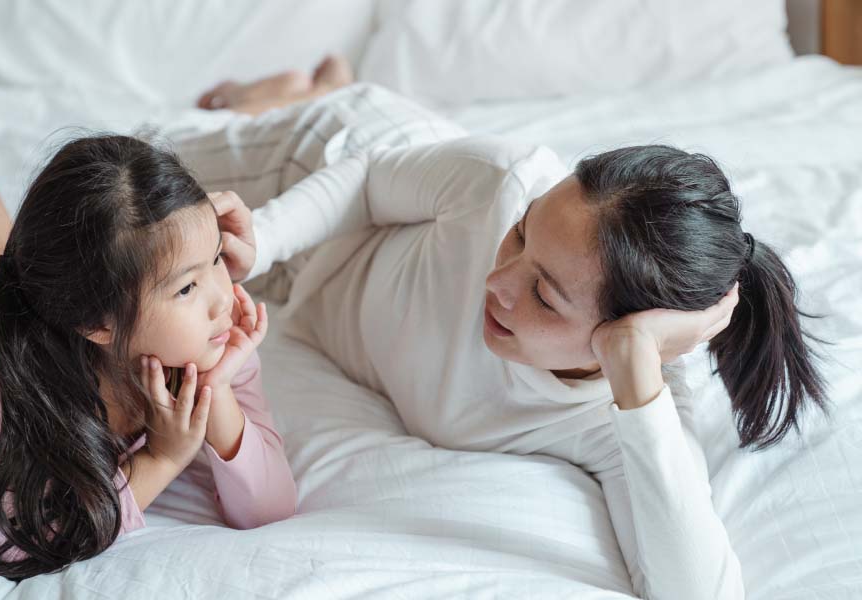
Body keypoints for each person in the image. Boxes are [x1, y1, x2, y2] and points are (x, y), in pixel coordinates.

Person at [176, 78, 826, 599]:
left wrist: (634, 367)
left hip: (314, 287)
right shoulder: (501, 180)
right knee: (142, 178)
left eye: (544, 295)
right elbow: (370, 180)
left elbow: (698, 594)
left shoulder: (620, 416)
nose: (499, 280)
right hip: (319, 172)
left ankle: (308, 83)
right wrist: (264, 236)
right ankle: (308, 91)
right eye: (521, 233)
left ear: (625, 337)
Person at [0, 11, 296, 581]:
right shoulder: (21, 383)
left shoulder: (212, 334)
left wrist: (217, 391)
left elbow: (271, 508)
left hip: (24, 293)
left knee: (2, 263)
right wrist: (159, 459)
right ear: (99, 323)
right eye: (188, 285)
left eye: (217, 258)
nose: (221, 297)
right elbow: (20, 542)